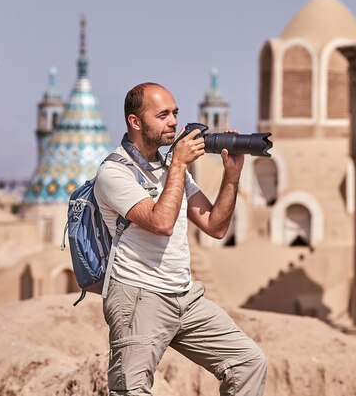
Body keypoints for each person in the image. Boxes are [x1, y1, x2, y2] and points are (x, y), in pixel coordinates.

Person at [94, 82, 267, 395]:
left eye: (174, 113)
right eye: (162, 115)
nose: (173, 121)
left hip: (183, 296)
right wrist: (177, 165)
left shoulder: (169, 170)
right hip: (139, 297)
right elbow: (161, 223)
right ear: (135, 122)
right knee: (131, 390)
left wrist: (232, 175)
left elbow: (214, 225)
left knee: (248, 362)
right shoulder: (114, 173)